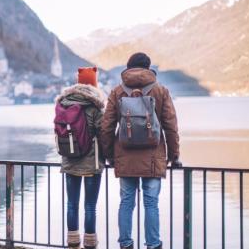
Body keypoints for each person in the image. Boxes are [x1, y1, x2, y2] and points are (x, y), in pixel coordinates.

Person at [100, 53, 180, 249]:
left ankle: (126, 244)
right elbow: (170, 126)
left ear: (128, 67)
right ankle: (153, 244)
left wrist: (110, 156)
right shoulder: (160, 91)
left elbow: (107, 127)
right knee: (151, 203)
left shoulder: (118, 91)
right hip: (153, 157)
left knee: (126, 202)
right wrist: (174, 156)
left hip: (125, 157)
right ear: (148, 67)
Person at [56, 66, 106, 249]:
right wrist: (108, 157)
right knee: (90, 206)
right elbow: (103, 135)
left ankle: (72, 241)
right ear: (94, 84)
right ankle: (90, 242)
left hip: (69, 161)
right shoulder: (95, 107)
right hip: (92, 163)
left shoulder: (64, 103)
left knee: (71, 204)